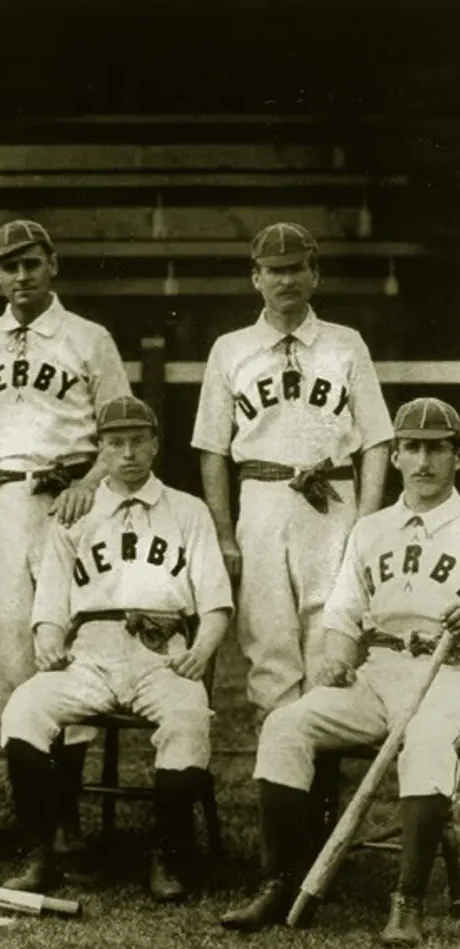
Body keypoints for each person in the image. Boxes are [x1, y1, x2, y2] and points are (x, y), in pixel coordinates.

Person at [220, 397, 460, 947]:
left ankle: (407, 901)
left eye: (437, 449)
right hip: (377, 672)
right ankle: (278, 880)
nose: (423, 461)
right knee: (286, 725)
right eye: (412, 448)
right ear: (395, 456)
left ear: (456, 457)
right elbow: (343, 614)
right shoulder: (371, 529)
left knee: (424, 740)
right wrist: (334, 657)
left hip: (447, 674)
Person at [0, 219, 132, 848]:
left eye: (31, 263)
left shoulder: (88, 337)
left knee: (68, 644)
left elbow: (119, 428)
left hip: (69, 498)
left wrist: (92, 481)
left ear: (53, 265)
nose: (20, 276)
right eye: (7, 266)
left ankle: (66, 812)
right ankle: (34, 811)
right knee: (11, 649)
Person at [0, 397, 232, 901]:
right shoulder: (73, 512)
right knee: (24, 708)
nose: (127, 453)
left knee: (188, 715)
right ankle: (37, 851)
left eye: (137, 441)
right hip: (91, 651)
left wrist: (202, 650)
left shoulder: (187, 510)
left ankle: (167, 853)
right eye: (115, 443)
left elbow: (216, 602)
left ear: (155, 445)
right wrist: (46, 642)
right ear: (101, 450)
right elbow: (51, 598)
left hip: (161, 650)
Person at [192, 222, 393, 717]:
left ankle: (318, 770)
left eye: (297, 268)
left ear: (315, 274)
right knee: (268, 633)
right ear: (255, 277)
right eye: (275, 271)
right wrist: (224, 533)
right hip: (261, 497)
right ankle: (281, 777)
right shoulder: (231, 348)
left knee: (331, 629)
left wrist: (366, 523)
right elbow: (212, 449)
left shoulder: (346, 344)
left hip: (333, 497)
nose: (287, 280)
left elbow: (378, 439)